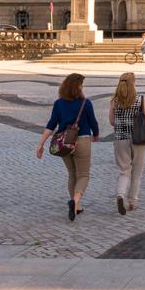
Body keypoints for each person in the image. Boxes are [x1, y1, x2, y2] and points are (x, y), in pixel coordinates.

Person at [36, 72, 99, 221]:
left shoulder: (59, 103)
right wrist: (96, 134)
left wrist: (41, 144)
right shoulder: (85, 103)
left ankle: (76, 207)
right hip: (82, 140)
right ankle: (75, 201)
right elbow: (93, 122)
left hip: (63, 142)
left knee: (72, 174)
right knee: (83, 175)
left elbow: (51, 124)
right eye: (81, 85)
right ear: (78, 87)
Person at [109, 70, 145, 215]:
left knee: (124, 171)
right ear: (133, 83)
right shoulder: (141, 99)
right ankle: (132, 202)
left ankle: (120, 195)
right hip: (138, 139)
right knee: (137, 172)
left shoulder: (114, 100)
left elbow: (112, 122)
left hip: (120, 139)